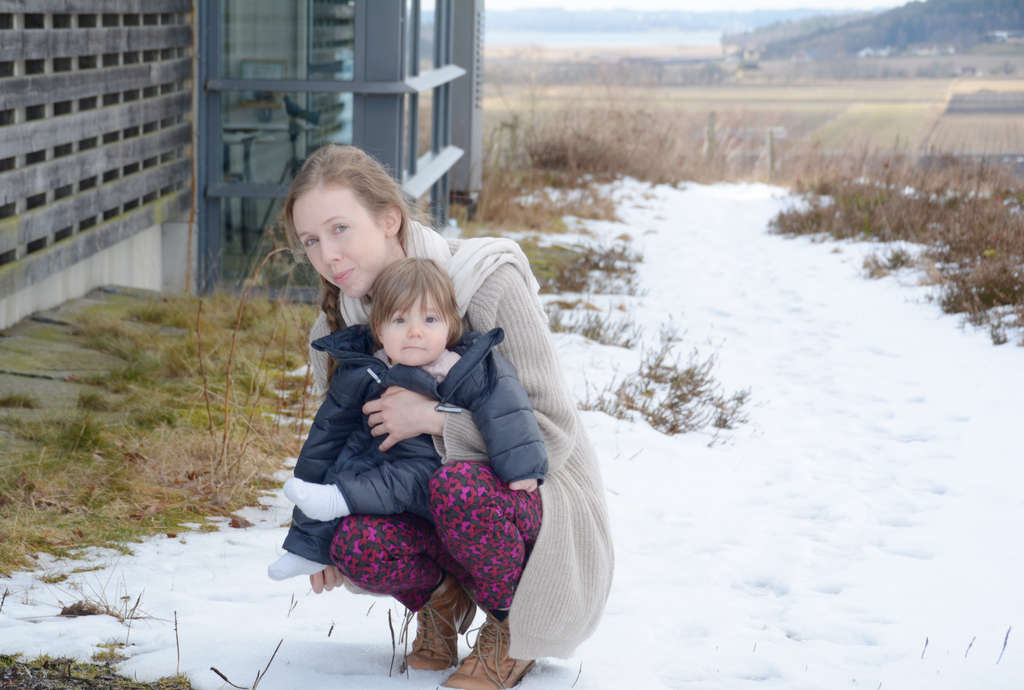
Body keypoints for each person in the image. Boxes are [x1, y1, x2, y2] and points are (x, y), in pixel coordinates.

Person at [281, 144, 613, 690]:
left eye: (340, 229)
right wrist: (315, 533)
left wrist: (434, 420)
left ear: (390, 219)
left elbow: (552, 432)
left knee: (461, 486)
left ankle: (510, 631)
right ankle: (442, 601)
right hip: (419, 495)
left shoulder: (485, 283)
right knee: (355, 540)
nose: (328, 256)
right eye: (312, 241)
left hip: (536, 497)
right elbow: (343, 447)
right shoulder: (335, 333)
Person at [268, 257, 548, 582]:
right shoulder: (363, 370)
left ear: (450, 326)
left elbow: (506, 411)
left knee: (402, 476)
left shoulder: (459, 367)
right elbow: (325, 437)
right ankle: (306, 550)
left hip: (441, 478)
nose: (415, 331)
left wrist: (524, 467)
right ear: (379, 329)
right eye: (400, 320)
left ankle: (340, 499)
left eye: (430, 319)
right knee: (338, 464)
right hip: (381, 471)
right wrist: (308, 519)